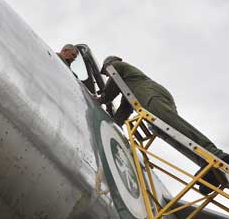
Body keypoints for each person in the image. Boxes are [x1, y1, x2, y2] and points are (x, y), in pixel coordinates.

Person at [97, 56, 229, 194]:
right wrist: (114, 124)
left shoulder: (117, 65)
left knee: (176, 128)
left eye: (105, 72)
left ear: (108, 64)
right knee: (172, 136)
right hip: (149, 97)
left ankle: (217, 155)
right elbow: (125, 107)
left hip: (151, 95)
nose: (107, 75)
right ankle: (208, 165)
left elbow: (113, 80)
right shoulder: (129, 86)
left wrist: (102, 98)